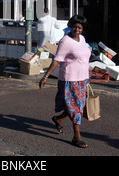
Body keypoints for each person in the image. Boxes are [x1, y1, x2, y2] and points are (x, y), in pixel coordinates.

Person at [39, 15, 91, 148]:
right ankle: (76, 136)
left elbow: (84, 58)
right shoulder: (65, 41)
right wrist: (46, 77)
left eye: (80, 28)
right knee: (76, 106)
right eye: (74, 27)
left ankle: (58, 119)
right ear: (70, 26)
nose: (77, 30)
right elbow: (57, 60)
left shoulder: (83, 39)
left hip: (82, 78)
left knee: (75, 105)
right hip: (70, 79)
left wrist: (87, 76)